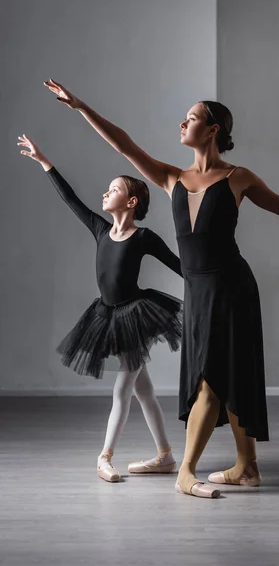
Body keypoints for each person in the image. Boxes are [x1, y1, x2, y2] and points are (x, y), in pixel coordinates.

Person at [43, 79, 279, 499]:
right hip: (199, 291)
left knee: (214, 377)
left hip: (233, 287)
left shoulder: (238, 178)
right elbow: (124, 147)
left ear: (214, 128)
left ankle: (186, 470)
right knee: (224, 374)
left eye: (193, 117)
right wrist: (79, 106)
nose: (183, 122)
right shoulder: (171, 178)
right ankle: (247, 467)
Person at [17, 134, 183, 484]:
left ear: (131, 201)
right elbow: (70, 199)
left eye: (114, 189)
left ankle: (104, 457)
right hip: (106, 315)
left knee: (123, 388)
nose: (106, 192)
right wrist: (43, 159)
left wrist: (212, 276)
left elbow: (180, 266)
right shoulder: (100, 229)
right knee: (144, 390)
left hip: (135, 315)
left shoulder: (144, 238)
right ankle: (166, 455)